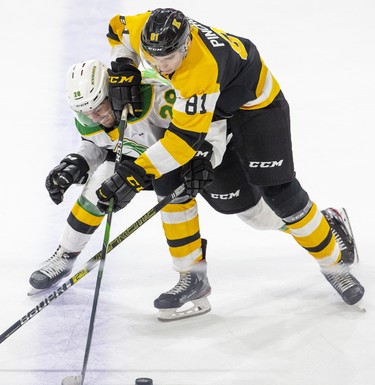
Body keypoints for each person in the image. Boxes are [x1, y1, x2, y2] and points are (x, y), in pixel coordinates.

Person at [94, 8, 364, 311]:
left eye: (167, 59)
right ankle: (191, 275)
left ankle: (335, 265)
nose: (158, 65)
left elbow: (181, 144)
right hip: (208, 107)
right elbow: (117, 29)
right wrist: (126, 63)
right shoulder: (147, 29)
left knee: (280, 194)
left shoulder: (200, 69)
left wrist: (133, 173)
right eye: (152, 57)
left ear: (185, 45)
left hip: (254, 105)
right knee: (172, 182)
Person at [29, 58, 290, 320]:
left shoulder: (157, 96)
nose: (94, 117)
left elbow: (209, 122)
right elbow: (99, 143)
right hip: (146, 160)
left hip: (203, 154)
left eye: (99, 107)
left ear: (111, 91)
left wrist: (204, 157)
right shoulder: (88, 113)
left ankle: (308, 223)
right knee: (102, 182)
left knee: (258, 216)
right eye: (86, 112)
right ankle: (67, 254)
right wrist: (77, 163)